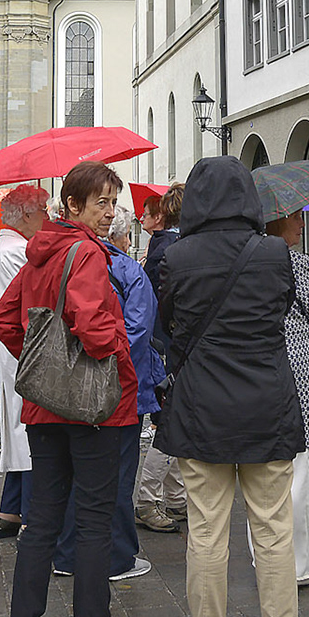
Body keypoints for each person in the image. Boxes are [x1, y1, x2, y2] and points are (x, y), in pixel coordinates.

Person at [157, 156, 304, 617]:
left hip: (202, 408)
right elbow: (281, 312)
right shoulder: (274, 253)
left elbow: (167, 328)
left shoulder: (177, 256)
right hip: (266, 402)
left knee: (205, 532)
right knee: (275, 532)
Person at [0, 161, 139, 617]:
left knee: (42, 519)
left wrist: (43, 366)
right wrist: (116, 346)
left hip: (45, 406)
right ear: (73, 204)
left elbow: (3, 320)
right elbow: (93, 328)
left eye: (113, 203)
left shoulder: (41, 251)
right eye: (101, 203)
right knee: (94, 522)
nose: (110, 212)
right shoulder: (88, 254)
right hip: (94, 408)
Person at [53, 203, 160, 582]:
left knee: (72, 473)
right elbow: (137, 334)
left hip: (65, 389)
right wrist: (106, 367)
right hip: (120, 392)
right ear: (117, 234)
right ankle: (117, 557)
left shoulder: (61, 262)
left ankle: (66, 553)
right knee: (115, 476)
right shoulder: (126, 270)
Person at [266, 205, 309, 586]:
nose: (302, 223)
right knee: (301, 471)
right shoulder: (292, 260)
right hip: (296, 374)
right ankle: (297, 565)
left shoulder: (248, 255)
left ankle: (267, 557)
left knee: (265, 470)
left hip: (260, 372)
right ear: (276, 220)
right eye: (294, 216)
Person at [0, 183, 50, 537]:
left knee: (18, 429)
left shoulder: (11, 246)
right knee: (29, 430)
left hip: (16, 348)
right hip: (24, 346)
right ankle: (32, 514)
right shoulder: (19, 250)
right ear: (27, 215)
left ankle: (10, 510)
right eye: (43, 211)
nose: (47, 218)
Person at [136, 184, 187, 531]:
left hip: (168, 345)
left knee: (178, 421)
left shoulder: (165, 246)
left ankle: (176, 496)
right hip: (169, 348)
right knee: (170, 422)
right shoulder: (171, 248)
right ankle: (147, 498)